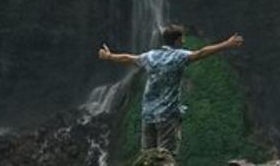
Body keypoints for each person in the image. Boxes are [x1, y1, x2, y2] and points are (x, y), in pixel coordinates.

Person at [98, 25, 245, 155]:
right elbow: (201, 53)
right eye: (182, 39)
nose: (184, 41)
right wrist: (226, 44)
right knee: (166, 157)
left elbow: (128, 58)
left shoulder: (150, 56)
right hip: (167, 116)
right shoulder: (179, 57)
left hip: (148, 115)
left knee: (148, 157)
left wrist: (109, 56)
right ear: (176, 41)